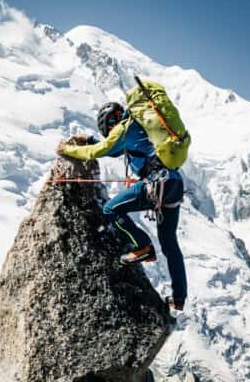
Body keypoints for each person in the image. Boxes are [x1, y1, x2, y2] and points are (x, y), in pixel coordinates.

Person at [57, 100, 187, 316]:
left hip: (156, 184)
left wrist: (66, 149)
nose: (110, 133)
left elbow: (98, 151)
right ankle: (179, 298)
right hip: (173, 185)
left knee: (110, 209)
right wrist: (89, 139)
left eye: (107, 130)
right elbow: (115, 150)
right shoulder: (140, 126)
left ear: (110, 123)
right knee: (170, 245)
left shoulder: (123, 128)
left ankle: (143, 246)